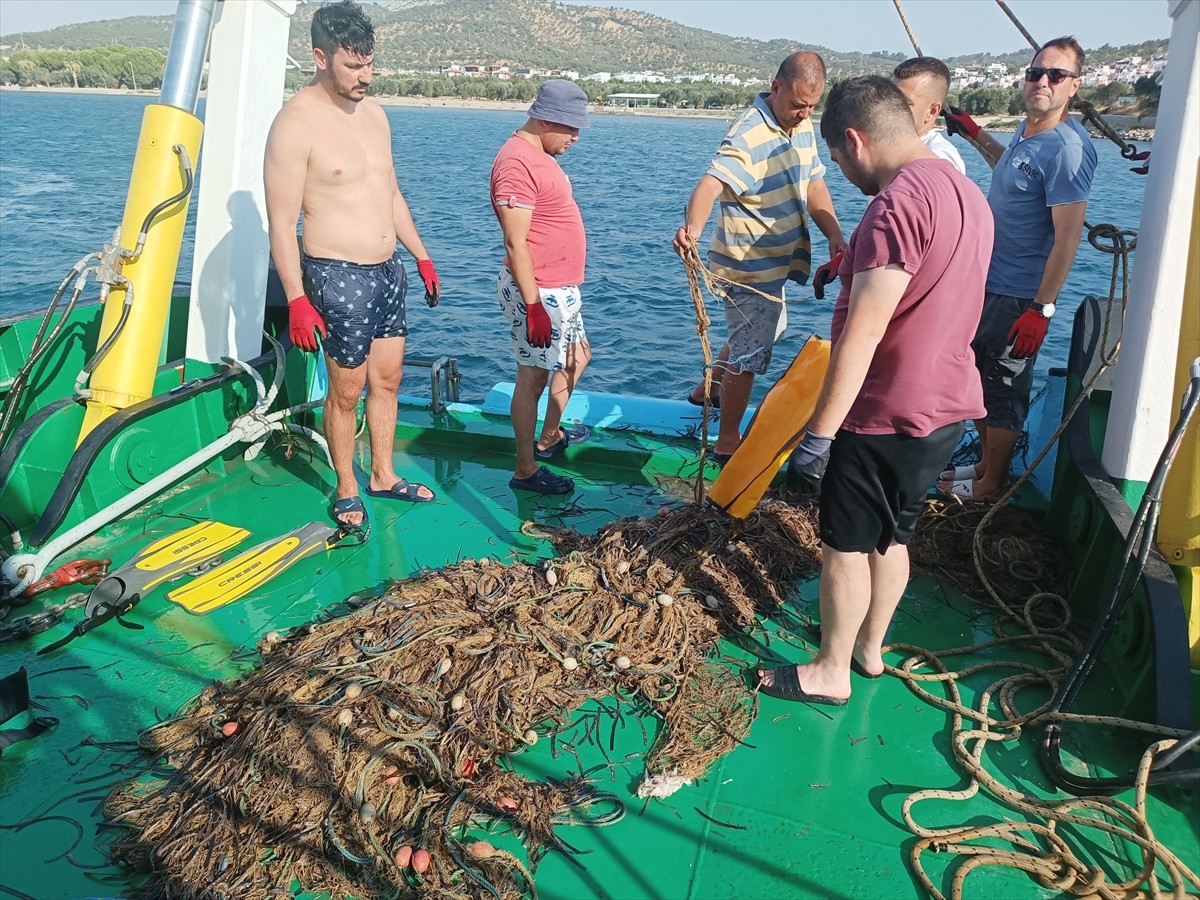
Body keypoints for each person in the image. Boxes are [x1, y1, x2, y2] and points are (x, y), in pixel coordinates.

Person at [757, 76, 993, 705]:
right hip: (944, 407)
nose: (842, 170)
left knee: (844, 544)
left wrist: (821, 436)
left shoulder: (895, 206)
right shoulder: (965, 190)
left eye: (837, 158)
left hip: (884, 411)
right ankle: (868, 649)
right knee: (894, 535)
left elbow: (863, 334)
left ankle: (829, 670)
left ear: (855, 140)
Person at [264, 0, 442, 530]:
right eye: (352, 66)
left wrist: (422, 254)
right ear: (320, 57)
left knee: (386, 381)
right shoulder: (294, 125)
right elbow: (280, 223)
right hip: (337, 274)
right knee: (346, 390)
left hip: (388, 271)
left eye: (369, 65)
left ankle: (383, 475)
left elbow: (390, 193)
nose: (365, 77)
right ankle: (346, 484)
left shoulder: (376, 115)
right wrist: (297, 299)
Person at [939, 36, 1097, 499]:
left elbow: (1067, 238)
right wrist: (972, 132)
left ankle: (991, 484)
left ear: (1074, 86)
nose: (1042, 81)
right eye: (1035, 73)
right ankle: (986, 467)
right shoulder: (1030, 134)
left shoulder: (1066, 148)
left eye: (1056, 75)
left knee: (1004, 387)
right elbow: (1008, 166)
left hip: (1020, 292)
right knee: (980, 378)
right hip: (988, 281)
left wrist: (1040, 309)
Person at [673, 52, 846, 464]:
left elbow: (815, 182)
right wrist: (692, 229)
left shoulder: (801, 127)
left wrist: (835, 234)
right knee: (750, 356)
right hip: (746, 266)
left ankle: (708, 390)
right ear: (776, 88)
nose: (804, 114)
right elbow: (711, 183)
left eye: (812, 106)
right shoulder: (749, 134)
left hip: (779, 265)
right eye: (797, 105)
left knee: (753, 339)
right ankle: (728, 440)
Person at [490, 80, 593, 495]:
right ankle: (526, 470)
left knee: (577, 357)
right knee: (531, 379)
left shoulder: (538, 155)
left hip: (559, 289)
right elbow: (515, 243)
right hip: (538, 292)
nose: (576, 137)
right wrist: (533, 306)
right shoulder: (516, 163)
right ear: (548, 119)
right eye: (571, 129)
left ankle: (550, 436)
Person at [892, 56, 966, 175]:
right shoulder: (890, 149)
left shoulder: (942, 158)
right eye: (889, 99)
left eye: (904, 103)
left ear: (932, 111)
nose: (890, 107)